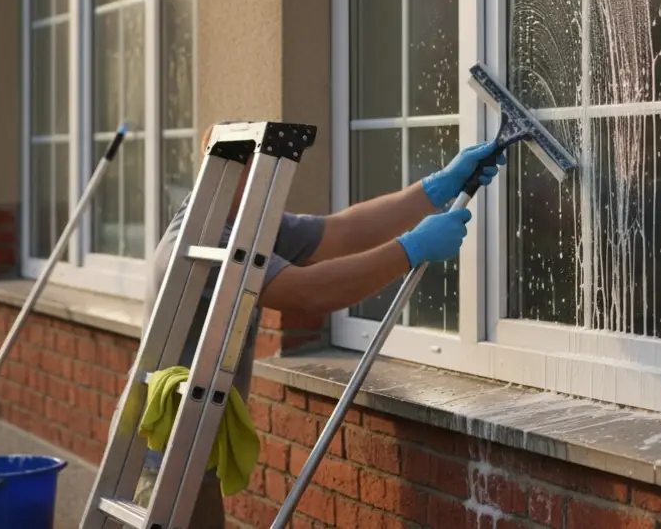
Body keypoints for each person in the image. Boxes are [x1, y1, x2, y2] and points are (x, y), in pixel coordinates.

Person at [133, 122, 505, 525]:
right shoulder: (208, 242)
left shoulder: (238, 219)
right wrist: (411, 249)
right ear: (232, 172)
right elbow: (311, 292)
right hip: (168, 458)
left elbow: (340, 232)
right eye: (261, 174)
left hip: (192, 443)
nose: (272, 188)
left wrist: (435, 188)